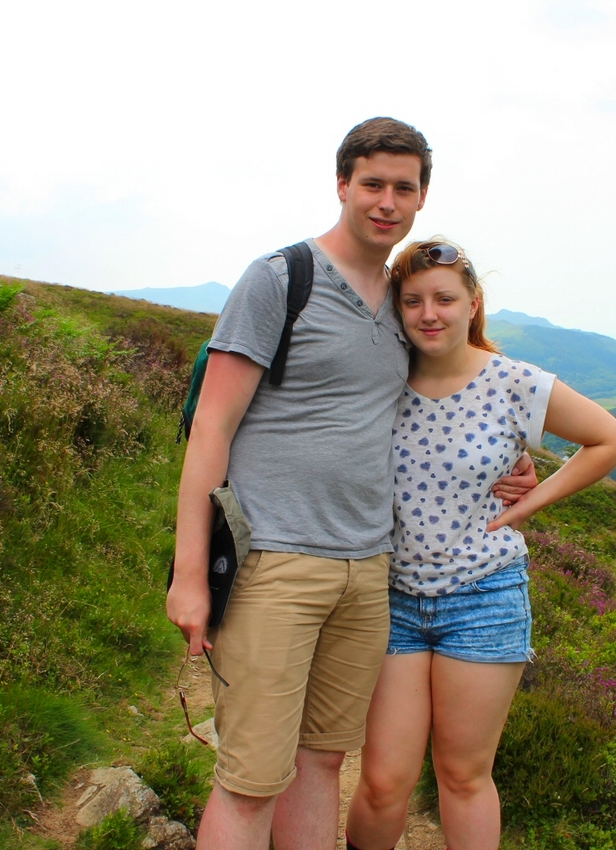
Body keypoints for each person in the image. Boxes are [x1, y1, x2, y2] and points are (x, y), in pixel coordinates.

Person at [165, 119, 536, 850]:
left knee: (321, 762)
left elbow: (443, 396)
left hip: (370, 572)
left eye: (404, 187)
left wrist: (512, 464)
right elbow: (211, 428)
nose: (386, 201)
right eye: (373, 183)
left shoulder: (402, 306)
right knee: (250, 781)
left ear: (422, 196)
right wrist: (189, 577)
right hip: (276, 562)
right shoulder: (279, 280)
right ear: (342, 185)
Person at [344, 240, 616, 850]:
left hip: (484, 599)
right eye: (413, 300)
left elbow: (610, 439)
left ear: (472, 305)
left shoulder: (514, 383)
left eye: (445, 299)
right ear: (396, 308)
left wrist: (531, 501)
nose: (429, 313)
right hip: (390, 598)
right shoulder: (380, 380)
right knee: (382, 782)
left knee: (463, 775)